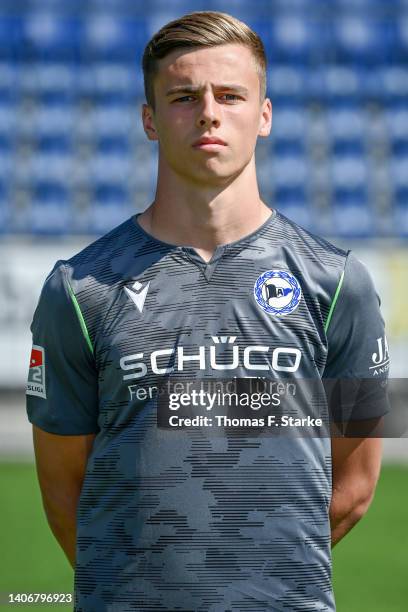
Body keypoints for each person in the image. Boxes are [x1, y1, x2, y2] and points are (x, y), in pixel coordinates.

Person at [26, 11, 390, 611]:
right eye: (183, 96)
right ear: (149, 119)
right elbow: (62, 489)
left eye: (230, 95)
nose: (209, 112)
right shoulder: (78, 288)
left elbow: (355, 487)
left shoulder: (339, 281)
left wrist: (252, 588)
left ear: (264, 115)